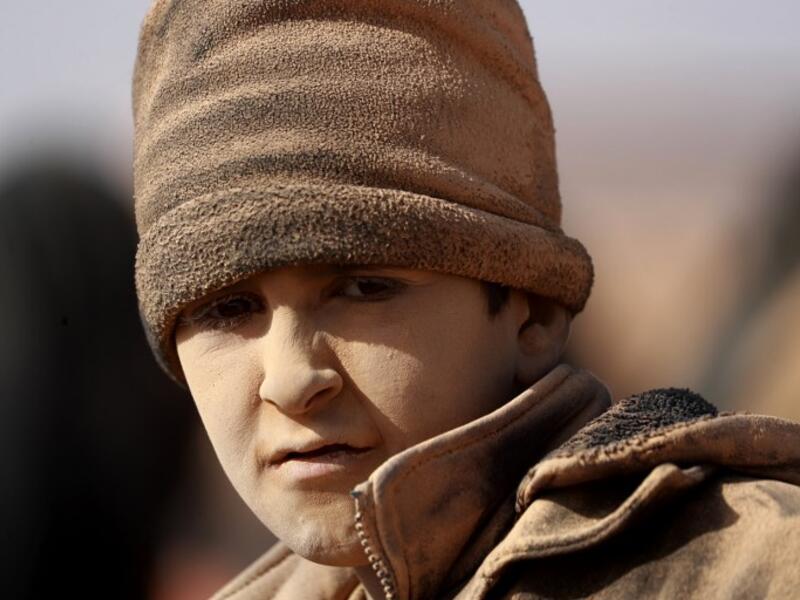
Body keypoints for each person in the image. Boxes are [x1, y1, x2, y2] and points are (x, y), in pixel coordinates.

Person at [131, 1, 800, 598]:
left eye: (365, 288)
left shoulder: (750, 571)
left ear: (532, 311)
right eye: (226, 309)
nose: (291, 380)